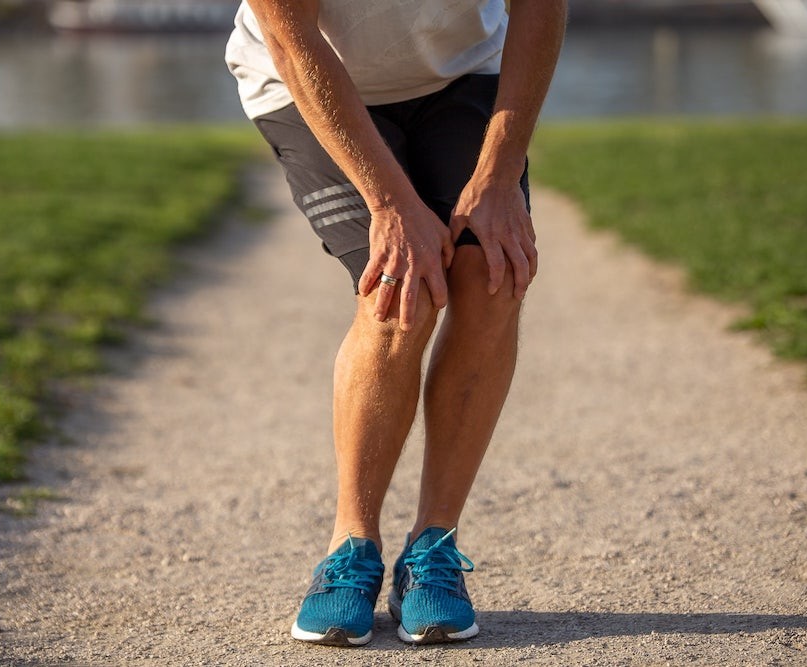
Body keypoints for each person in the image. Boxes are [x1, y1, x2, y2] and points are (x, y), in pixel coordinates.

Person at [225, 0, 566, 647]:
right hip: (306, 79)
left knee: (491, 276)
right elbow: (290, 36)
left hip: (463, 75)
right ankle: (349, 549)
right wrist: (389, 202)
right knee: (399, 289)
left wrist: (498, 173)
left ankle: (432, 548)